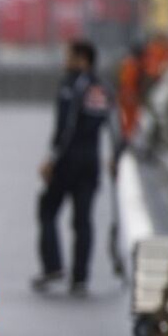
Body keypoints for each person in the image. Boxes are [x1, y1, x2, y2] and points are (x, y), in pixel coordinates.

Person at [33, 40, 111, 296]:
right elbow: (112, 123)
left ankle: (53, 265)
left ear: (82, 58)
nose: (65, 59)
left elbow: (67, 128)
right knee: (83, 219)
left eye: (69, 55)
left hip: (69, 161)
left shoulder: (73, 86)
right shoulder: (101, 87)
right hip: (91, 160)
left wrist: (51, 159)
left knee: (47, 208)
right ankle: (80, 277)